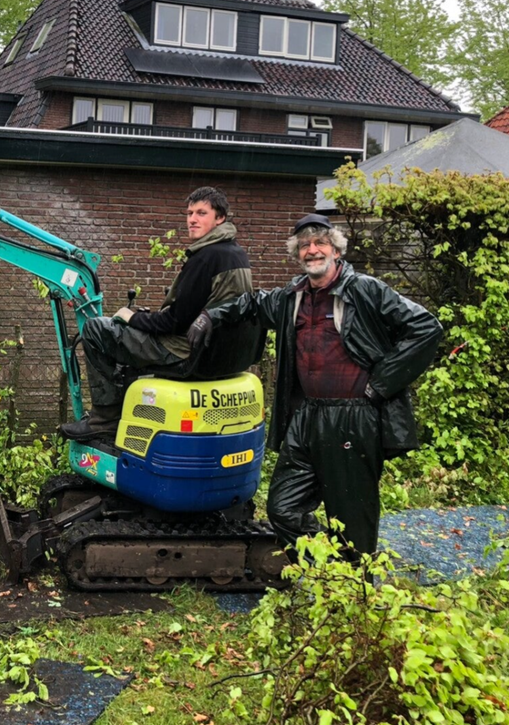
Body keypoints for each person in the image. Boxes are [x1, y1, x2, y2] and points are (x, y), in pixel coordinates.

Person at [187, 214, 442, 563]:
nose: (312, 250)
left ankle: (354, 588)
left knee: (352, 514)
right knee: (282, 509)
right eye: (304, 245)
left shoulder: (364, 290)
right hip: (306, 417)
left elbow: (426, 328)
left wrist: (381, 384)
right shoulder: (291, 297)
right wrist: (211, 315)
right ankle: (331, 569)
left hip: (353, 418)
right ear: (297, 254)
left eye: (320, 242)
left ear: (336, 250)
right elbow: (251, 302)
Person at [60, 186, 253, 442]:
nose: (192, 219)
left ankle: (104, 420)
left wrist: (131, 317)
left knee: (96, 329)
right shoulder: (237, 255)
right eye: (189, 213)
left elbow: (174, 322)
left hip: (183, 350)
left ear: (220, 218)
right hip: (215, 352)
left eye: (201, 213)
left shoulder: (206, 257)